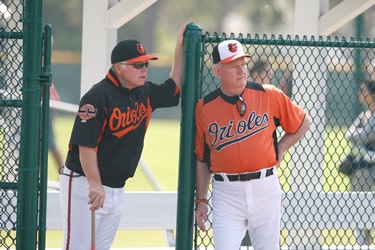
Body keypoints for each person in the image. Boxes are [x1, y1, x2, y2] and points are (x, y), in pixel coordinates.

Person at [59, 22, 190, 249]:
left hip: (116, 188)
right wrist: (95, 184)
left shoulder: (144, 92)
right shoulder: (97, 96)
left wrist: (179, 46)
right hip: (84, 185)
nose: (144, 69)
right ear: (118, 68)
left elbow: (175, 86)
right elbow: (86, 146)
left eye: (146, 64)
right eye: (137, 65)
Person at [194, 39, 311, 250]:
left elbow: (303, 122)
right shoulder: (205, 108)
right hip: (226, 192)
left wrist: (281, 148)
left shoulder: (269, 94)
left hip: (265, 187)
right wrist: (201, 199)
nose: (241, 70)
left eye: (243, 64)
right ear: (218, 71)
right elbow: (202, 159)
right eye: (233, 66)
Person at [345, 80, 375, 245]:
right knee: (360, 205)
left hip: (371, 168)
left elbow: (363, 137)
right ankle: (363, 242)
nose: (360, 94)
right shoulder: (364, 116)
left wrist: (359, 139)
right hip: (363, 167)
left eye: (364, 91)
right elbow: (349, 134)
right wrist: (359, 138)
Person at [49, 83, 64, 172]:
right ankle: (62, 173)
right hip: (49, 104)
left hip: (47, 105)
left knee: (50, 142)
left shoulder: (40, 69)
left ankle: (62, 173)